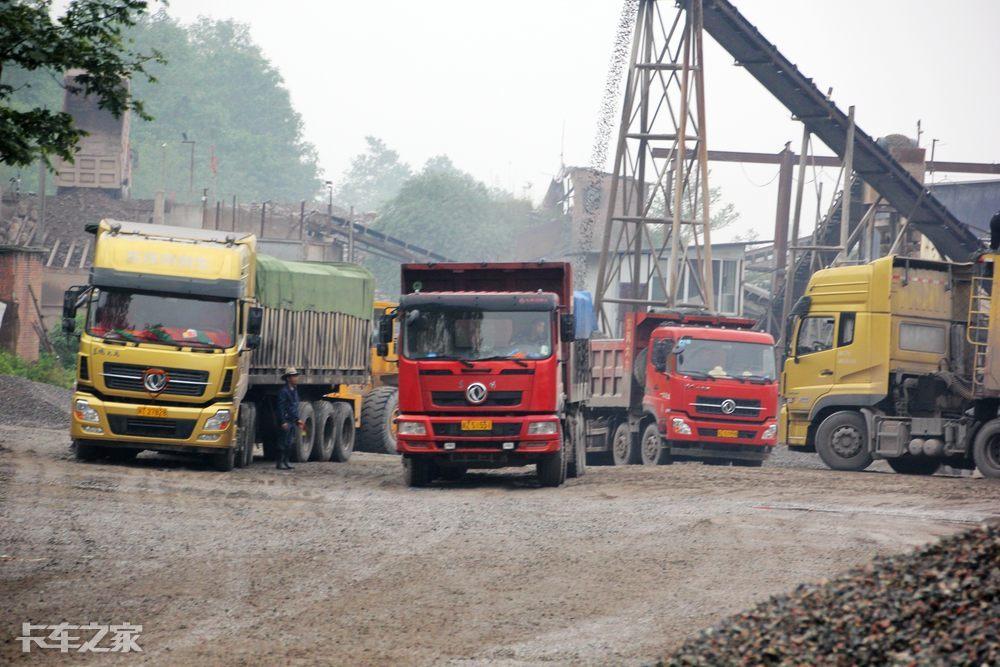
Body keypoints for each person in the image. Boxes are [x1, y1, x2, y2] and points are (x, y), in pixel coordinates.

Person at [276, 367, 304, 470]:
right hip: (286, 421)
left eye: (296, 375)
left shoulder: (295, 390)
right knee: (282, 442)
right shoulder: (283, 392)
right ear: (288, 378)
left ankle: (286, 462)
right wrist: (282, 421)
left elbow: (294, 407)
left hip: (292, 421)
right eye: (294, 376)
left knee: (289, 442)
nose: (296, 378)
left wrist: (297, 419)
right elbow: (280, 407)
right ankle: (280, 463)